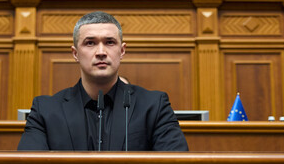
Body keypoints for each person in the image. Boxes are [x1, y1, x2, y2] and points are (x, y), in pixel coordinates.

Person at [18, 11, 188, 151]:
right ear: (75, 53)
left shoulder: (154, 106)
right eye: (90, 43)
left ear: (122, 51)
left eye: (110, 42)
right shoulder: (45, 110)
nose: (101, 52)